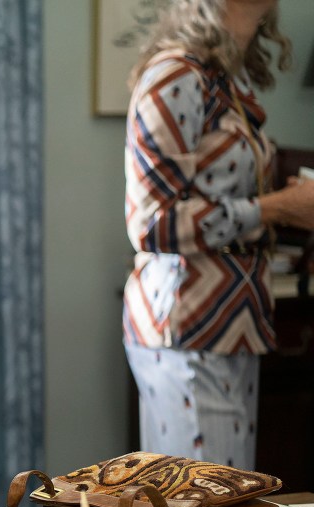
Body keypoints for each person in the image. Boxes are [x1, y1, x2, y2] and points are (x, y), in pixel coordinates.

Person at [123, 0, 314, 470]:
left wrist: (282, 203)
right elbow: (149, 223)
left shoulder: (224, 80)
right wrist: (275, 207)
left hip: (235, 320)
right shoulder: (175, 76)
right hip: (187, 324)